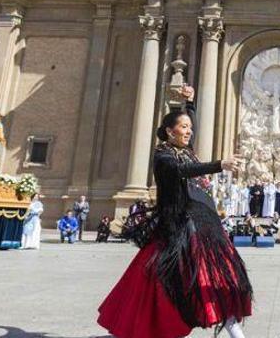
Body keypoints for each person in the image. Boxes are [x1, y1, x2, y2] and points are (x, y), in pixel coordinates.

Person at [98, 85, 251, 338]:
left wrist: (189, 104)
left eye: (189, 128)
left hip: (205, 223)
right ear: (169, 132)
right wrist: (219, 165)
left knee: (218, 280)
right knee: (164, 280)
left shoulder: (186, 151)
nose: (189, 132)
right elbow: (181, 171)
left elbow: (193, 126)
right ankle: (134, 326)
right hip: (181, 227)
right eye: (183, 127)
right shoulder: (163, 157)